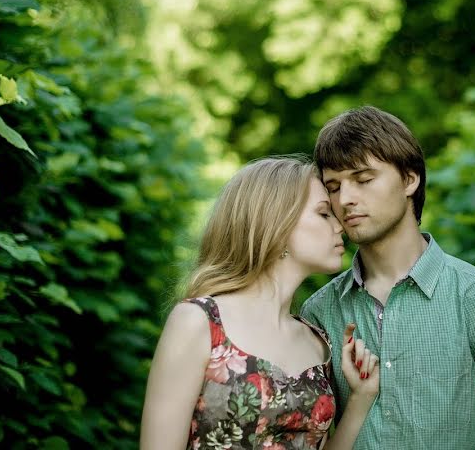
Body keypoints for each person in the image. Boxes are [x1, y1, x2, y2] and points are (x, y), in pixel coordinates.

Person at [300, 106, 475, 450]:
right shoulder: (319, 312)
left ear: (409, 179)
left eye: (363, 179)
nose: (345, 199)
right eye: (333, 186)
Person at [140, 157, 380, 450]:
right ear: (277, 224)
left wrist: (360, 398)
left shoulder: (318, 341)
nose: (339, 225)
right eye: (323, 213)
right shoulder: (199, 322)